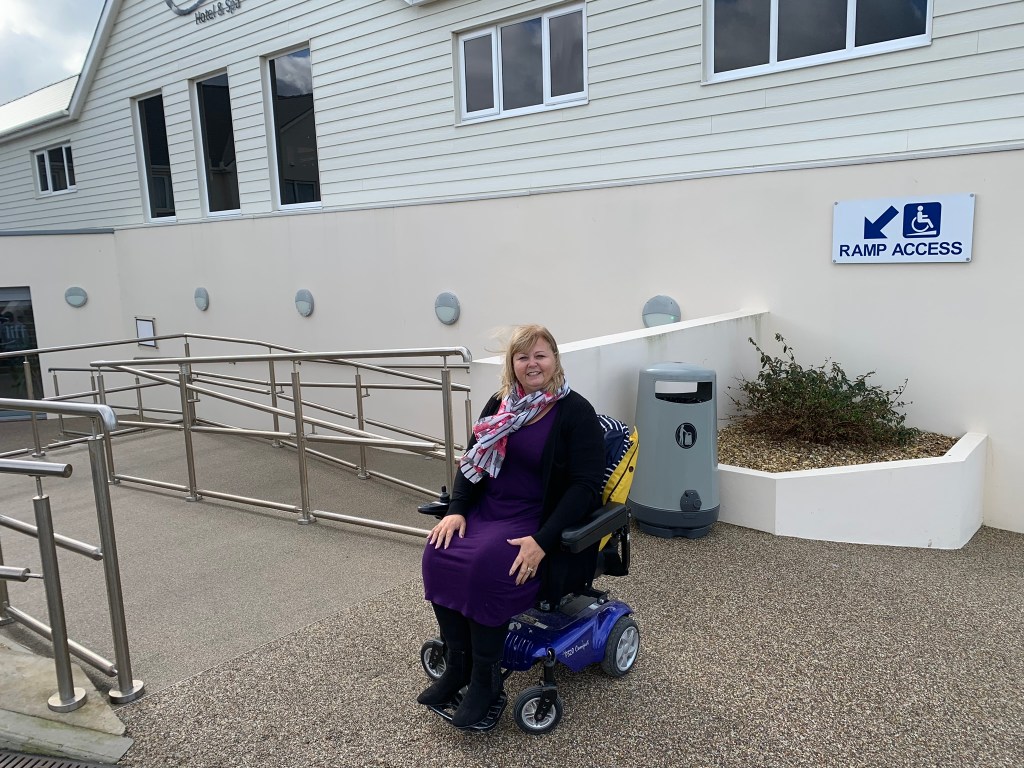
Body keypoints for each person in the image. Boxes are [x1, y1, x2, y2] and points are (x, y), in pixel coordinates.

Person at [419, 324, 605, 730]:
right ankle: (458, 666)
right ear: (512, 364)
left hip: (536, 519)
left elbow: (586, 487)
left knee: (486, 567)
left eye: (540, 355)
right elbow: (473, 458)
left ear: (555, 360)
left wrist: (543, 540)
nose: (532, 364)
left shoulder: (575, 412)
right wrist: (457, 509)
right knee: (438, 552)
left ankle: (485, 683)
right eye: (523, 357)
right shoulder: (501, 404)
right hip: (489, 509)